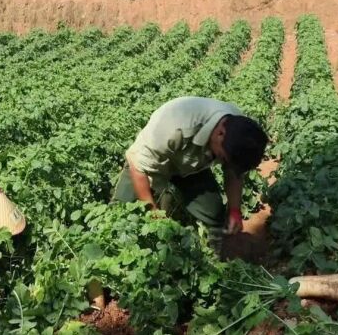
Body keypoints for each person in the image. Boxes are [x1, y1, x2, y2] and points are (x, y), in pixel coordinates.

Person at [112, 96, 268, 254]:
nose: (223, 160)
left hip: (191, 165)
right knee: (121, 214)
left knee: (214, 214)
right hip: (152, 162)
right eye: (223, 157)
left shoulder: (239, 130)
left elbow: (233, 172)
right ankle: (114, 254)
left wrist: (234, 210)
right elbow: (138, 170)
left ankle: (215, 256)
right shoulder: (171, 127)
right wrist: (154, 216)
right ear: (220, 133)